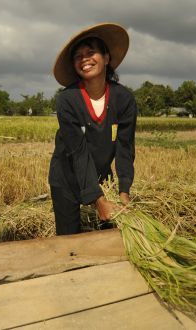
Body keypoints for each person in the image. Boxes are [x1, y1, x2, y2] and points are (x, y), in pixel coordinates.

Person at [49, 23, 137, 235]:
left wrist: (124, 192)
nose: (85, 59)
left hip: (101, 177)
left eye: (91, 52)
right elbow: (78, 153)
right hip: (67, 177)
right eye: (78, 56)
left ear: (107, 58)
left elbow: (125, 149)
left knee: (109, 234)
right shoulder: (68, 101)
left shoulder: (123, 99)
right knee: (69, 240)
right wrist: (99, 201)